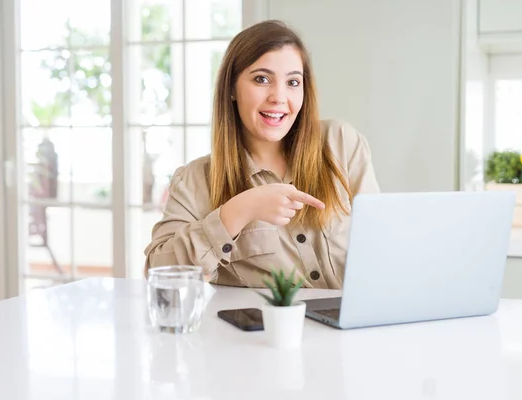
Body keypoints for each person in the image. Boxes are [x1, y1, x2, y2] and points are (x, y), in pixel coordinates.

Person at [144, 20, 380, 289]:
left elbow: (380, 241)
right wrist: (238, 211)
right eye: (262, 79)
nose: (279, 97)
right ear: (231, 88)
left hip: (357, 329)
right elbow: (158, 272)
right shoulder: (196, 180)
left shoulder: (340, 143)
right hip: (264, 331)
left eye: (293, 82)